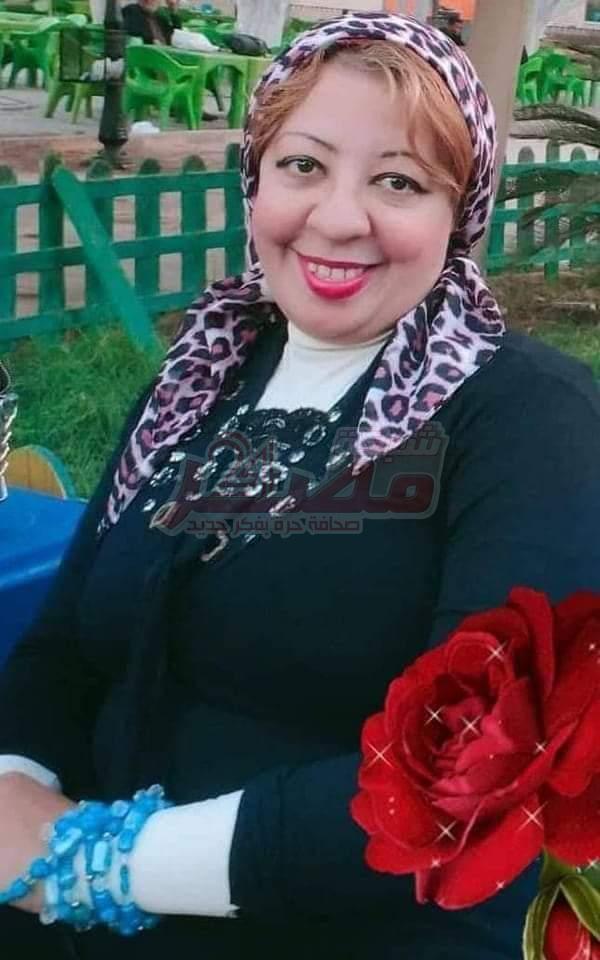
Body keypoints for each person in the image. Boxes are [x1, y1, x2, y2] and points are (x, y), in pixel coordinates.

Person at [1, 11, 600, 959]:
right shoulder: (200, 381)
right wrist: (14, 782)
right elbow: (64, 643)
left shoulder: (532, 421)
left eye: (399, 181)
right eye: (303, 165)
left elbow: (477, 765)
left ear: (460, 213)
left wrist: (101, 863)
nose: (338, 217)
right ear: (255, 180)